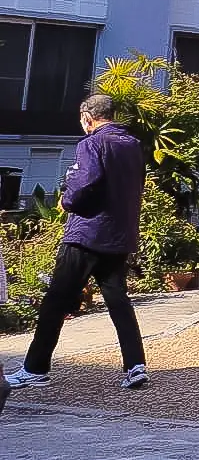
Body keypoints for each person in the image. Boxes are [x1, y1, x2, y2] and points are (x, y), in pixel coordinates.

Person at [5, 93, 149, 389]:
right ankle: (135, 365)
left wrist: (67, 199)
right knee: (118, 301)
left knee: (55, 301)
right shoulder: (133, 145)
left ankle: (35, 369)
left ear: (87, 117)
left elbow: (84, 182)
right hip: (119, 234)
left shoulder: (91, 143)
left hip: (86, 234)